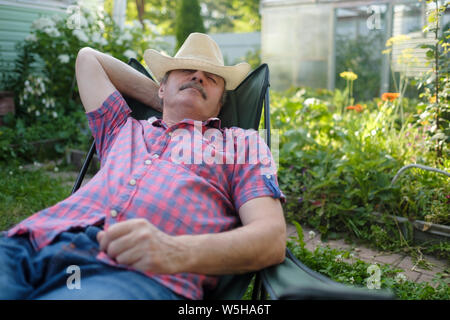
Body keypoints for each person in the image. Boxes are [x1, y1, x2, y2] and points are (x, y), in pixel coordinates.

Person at [0, 33, 286, 300]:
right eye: (186, 71)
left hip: (132, 274)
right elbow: (88, 58)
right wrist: (167, 104)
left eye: (211, 78)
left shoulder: (241, 144)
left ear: (220, 105)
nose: (198, 76)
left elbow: (271, 239)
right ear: (161, 86)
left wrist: (174, 252)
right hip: (30, 242)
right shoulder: (122, 127)